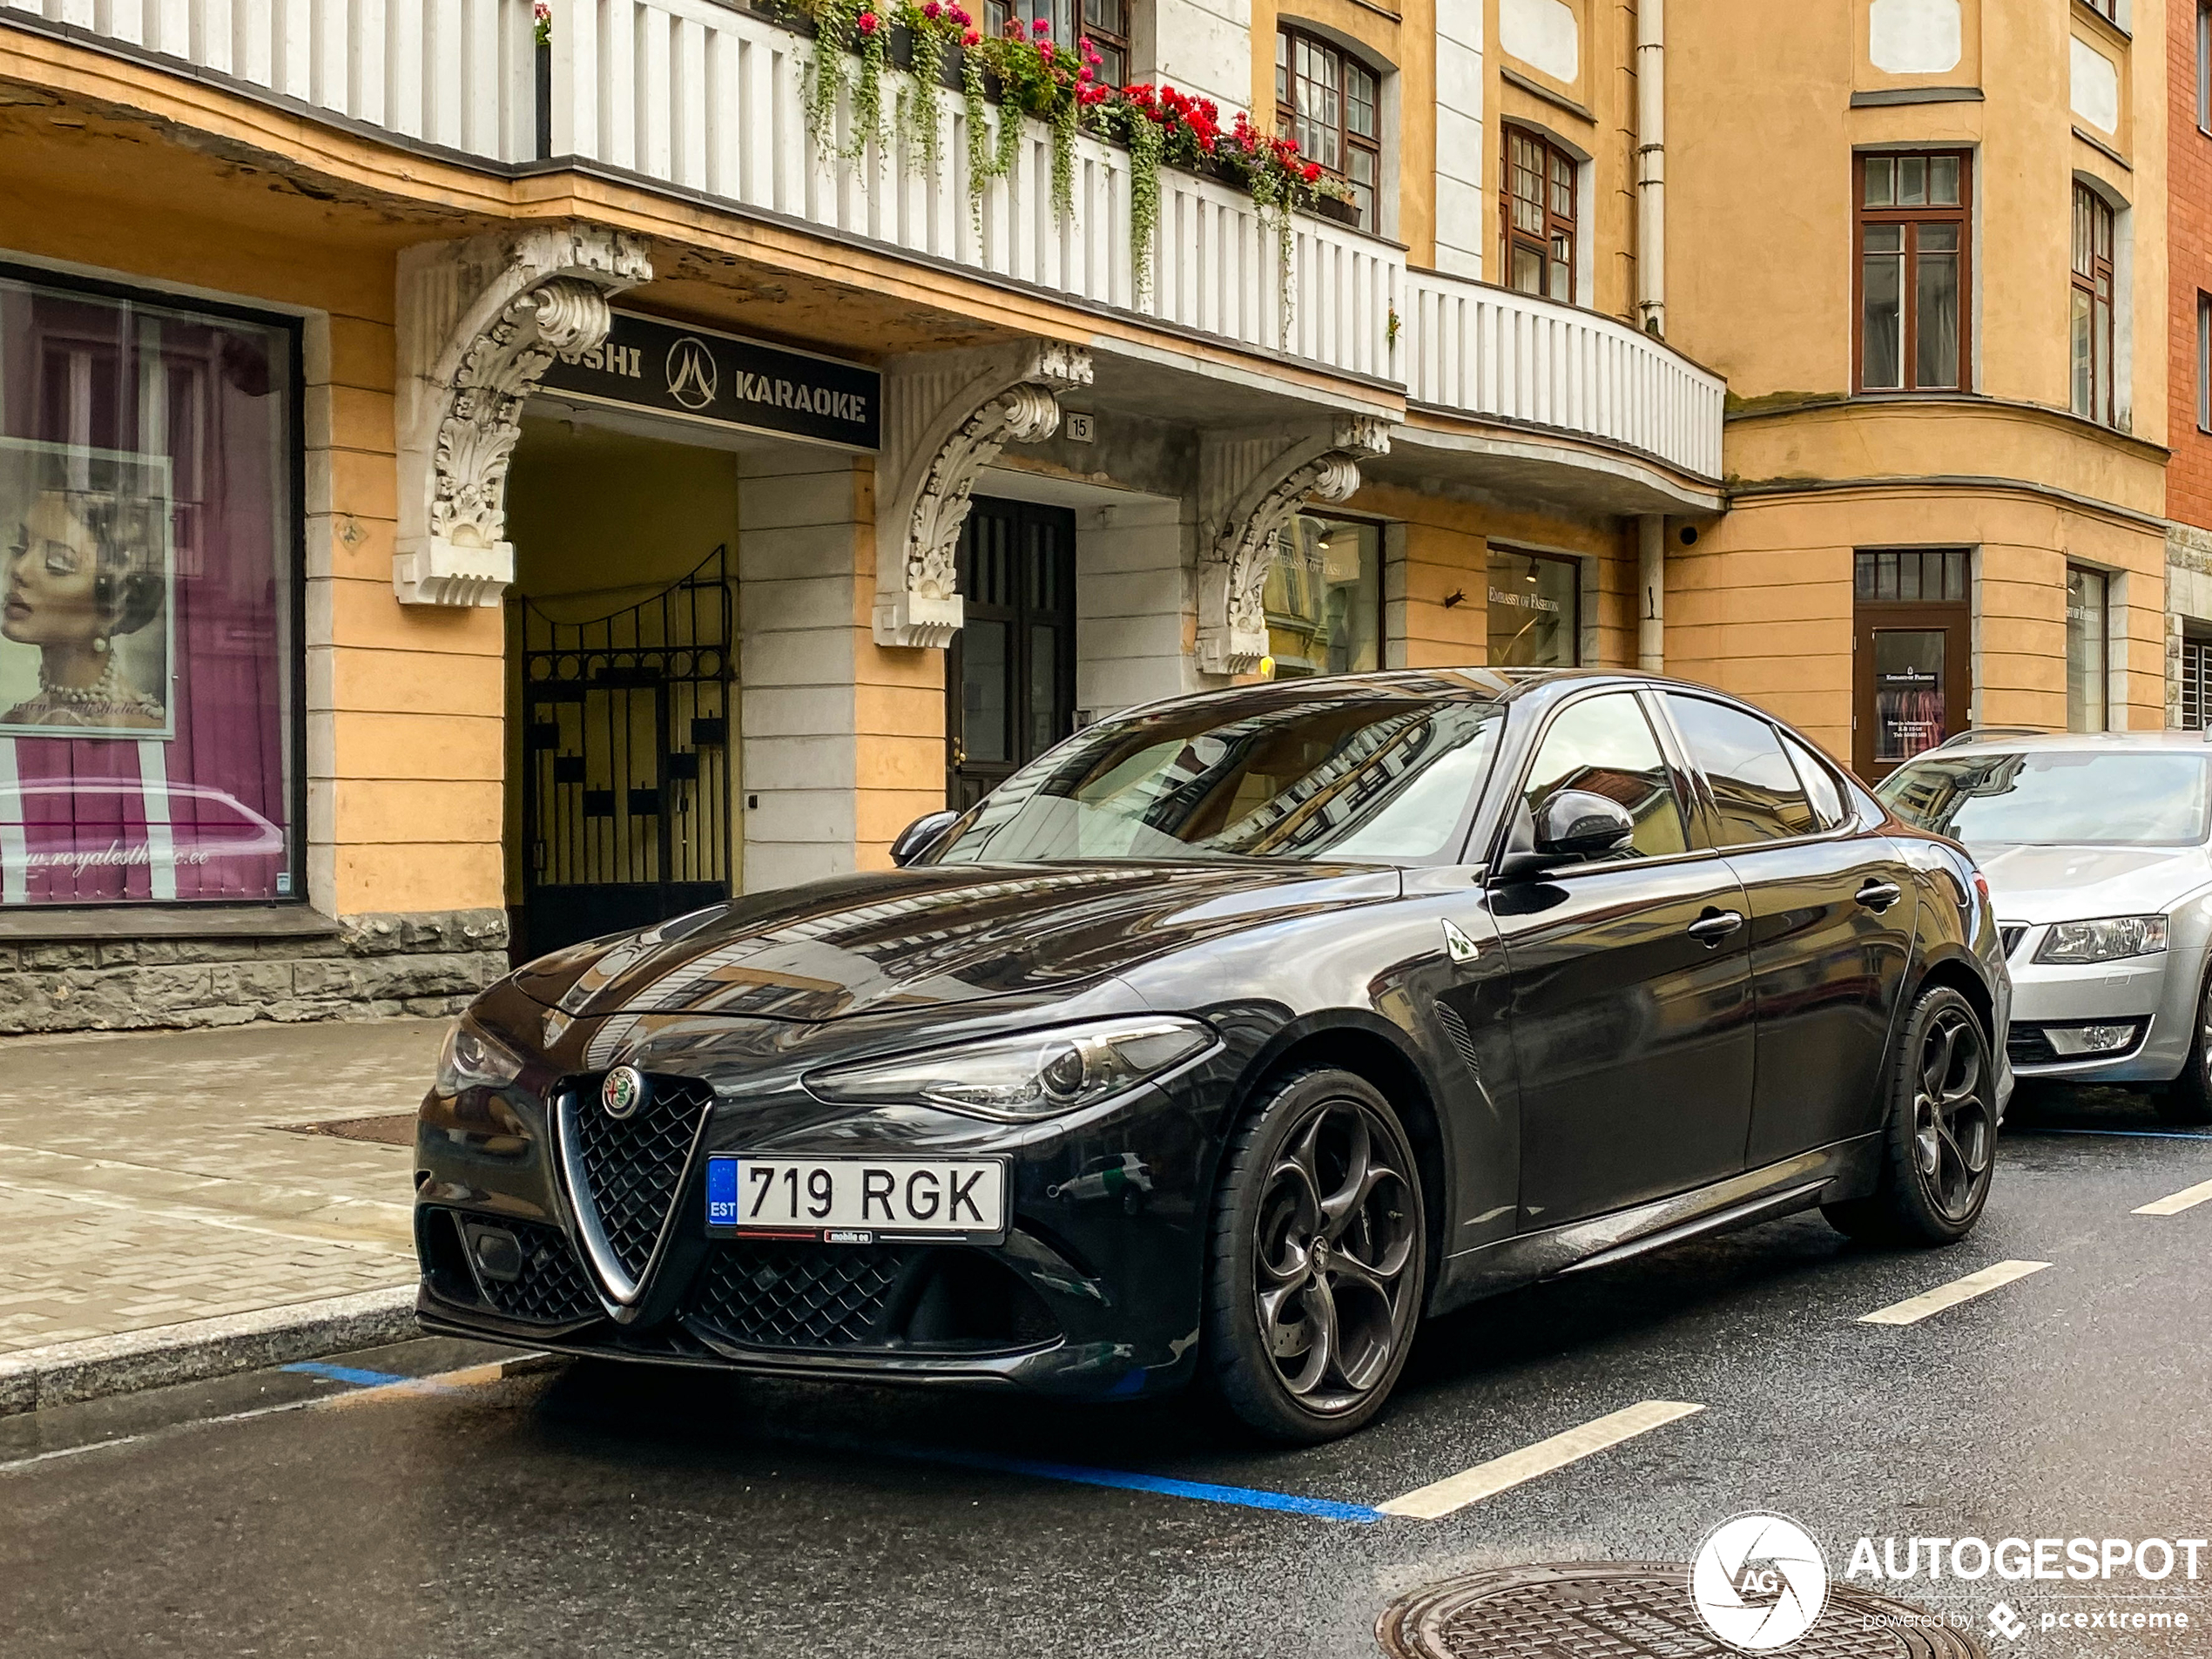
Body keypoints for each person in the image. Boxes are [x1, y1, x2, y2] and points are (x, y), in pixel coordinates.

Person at [1, 488, 165, 730]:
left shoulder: (141, 728)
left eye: (58, 562)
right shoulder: (14, 722)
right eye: (19, 547)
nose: (20, 569)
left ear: (112, 607)